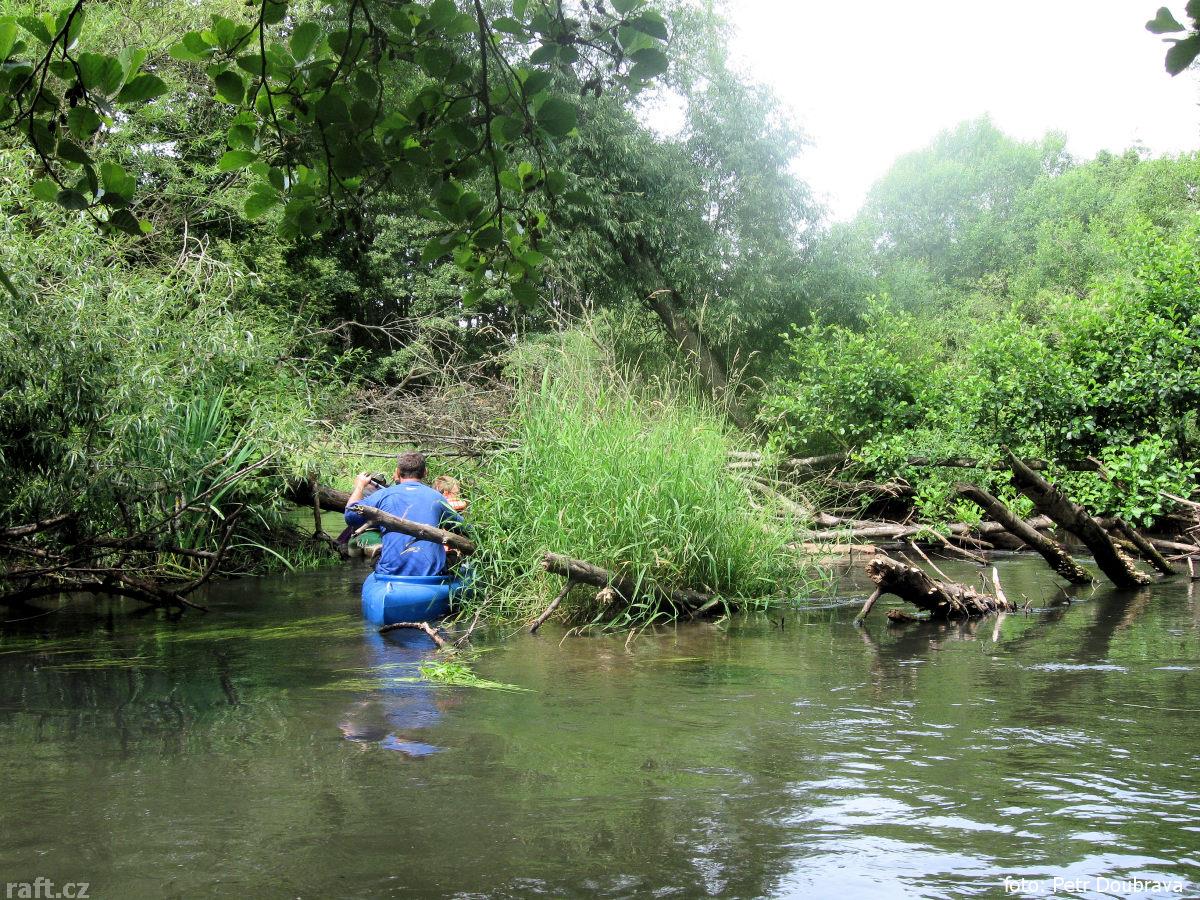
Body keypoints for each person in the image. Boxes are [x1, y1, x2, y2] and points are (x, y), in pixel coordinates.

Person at [344, 452, 462, 577]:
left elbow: (350, 516)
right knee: (454, 556)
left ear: (398, 472)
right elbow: (464, 527)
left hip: (390, 574)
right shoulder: (438, 497)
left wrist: (359, 486)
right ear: (425, 472)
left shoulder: (382, 495)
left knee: (378, 554)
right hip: (432, 576)